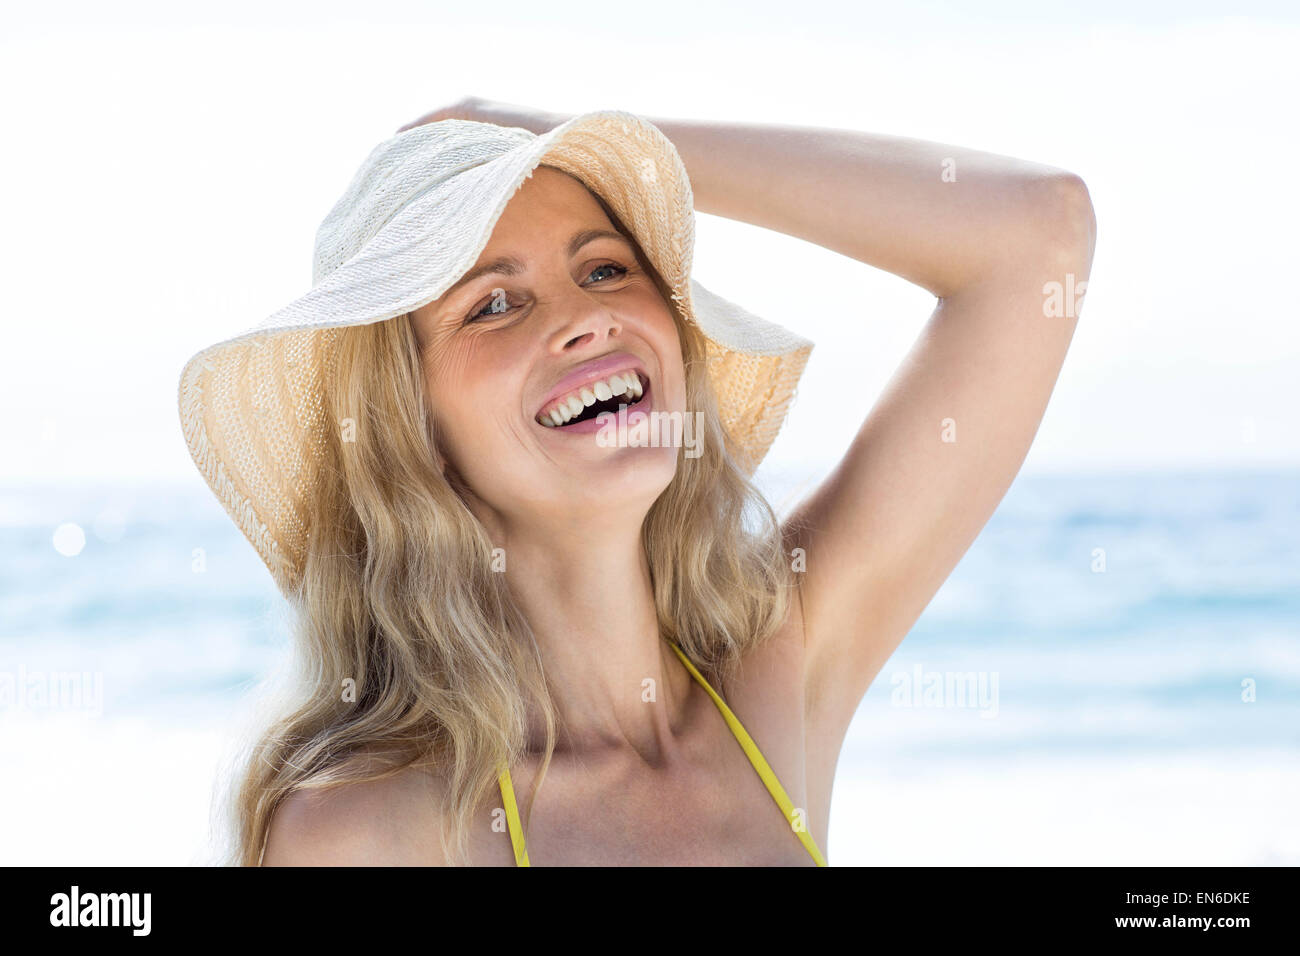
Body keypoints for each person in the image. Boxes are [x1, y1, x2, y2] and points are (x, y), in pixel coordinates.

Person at [183, 97, 1095, 866]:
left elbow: (1038, 234)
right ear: (411, 431)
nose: (586, 319)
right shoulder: (373, 829)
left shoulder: (780, 669)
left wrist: (558, 130)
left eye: (608, 266)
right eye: (493, 303)